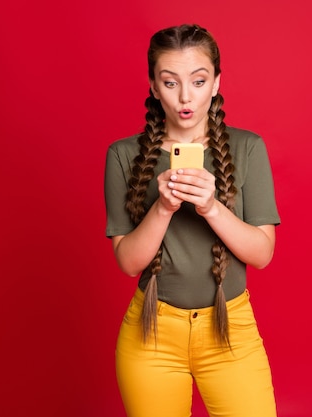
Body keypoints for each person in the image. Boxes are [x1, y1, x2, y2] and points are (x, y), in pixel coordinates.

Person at [104, 24, 281, 417]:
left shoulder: (247, 147)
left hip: (229, 327)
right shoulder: (122, 155)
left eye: (198, 81)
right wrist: (162, 208)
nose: (185, 97)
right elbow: (129, 262)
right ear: (153, 86)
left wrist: (212, 208)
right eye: (170, 82)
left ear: (216, 83)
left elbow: (262, 254)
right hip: (151, 333)